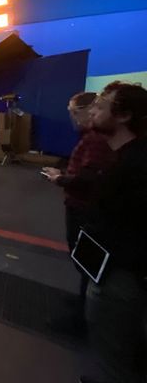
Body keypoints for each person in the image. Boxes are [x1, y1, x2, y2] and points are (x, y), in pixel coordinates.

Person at [77, 82, 147, 383]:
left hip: (120, 274)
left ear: (124, 116)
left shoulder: (136, 164)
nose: (93, 109)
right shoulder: (123, 157)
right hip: (112, 267)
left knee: (114, 354)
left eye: (102, 105)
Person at [42, 92, 114, 333]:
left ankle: (82, 319)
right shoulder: (91, 138)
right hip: (80, 206)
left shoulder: (94, 140)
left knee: (85, 261)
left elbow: (89, 178)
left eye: (75, 112)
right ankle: (82, 303)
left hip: (83, 209)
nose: (73, 118)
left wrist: (60, 178)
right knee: (81, 260)